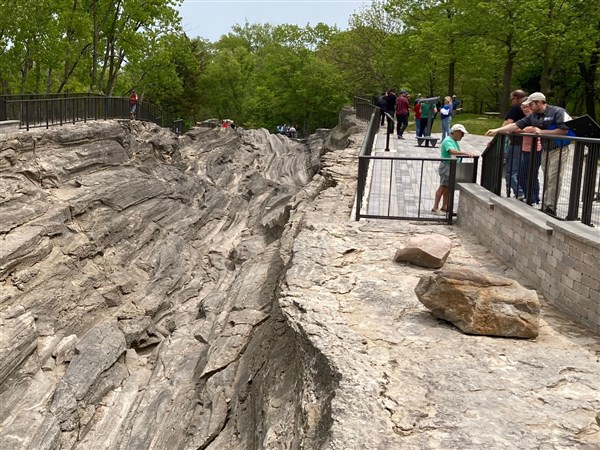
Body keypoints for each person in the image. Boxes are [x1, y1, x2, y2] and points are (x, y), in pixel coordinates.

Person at [485, 92, 572, 215]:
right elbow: (515, 125)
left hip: (559, 149)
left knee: (554, 178)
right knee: (547, 178)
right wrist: (497, 130)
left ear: (539, 102)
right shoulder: (534, 116)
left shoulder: (557, 112)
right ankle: (546, 205)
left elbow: (563, 131)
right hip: (546, 149)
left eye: (531, 104)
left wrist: (541, 132)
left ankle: (550, 208)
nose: (529, 108)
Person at [432, 123, 475, 214]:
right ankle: (435, 208)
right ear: (455, 132)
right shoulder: (448, 140)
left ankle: (445, 206)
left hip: (451, 166)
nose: (463, 136)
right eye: (461, 133)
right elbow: (452, 151)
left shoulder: (453, 140)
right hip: (447, 166)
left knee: (447, 187)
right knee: (443, 187)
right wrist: (465, 153)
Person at [502, 90, 528, 199]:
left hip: (516, 143)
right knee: (524, 171)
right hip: (529, 144)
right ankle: (531, 196)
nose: (511, 102)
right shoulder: (532, 109)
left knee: (510, 170)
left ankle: (519, 192)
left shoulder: (516, 107)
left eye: (512, 99)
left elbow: (508, 125)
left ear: (516, 98)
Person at [517, 102, 542, 205]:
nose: (525, 109)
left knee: (523, 175)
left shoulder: (535, 118)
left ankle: (531, 197)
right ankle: (534, 197)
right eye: (523, 108)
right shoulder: (526, 119)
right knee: (532, 175)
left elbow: (533, 130)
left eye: (527, 107)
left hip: (535, 150)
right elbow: (515, 128)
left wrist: (522, 129)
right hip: (526, 149)